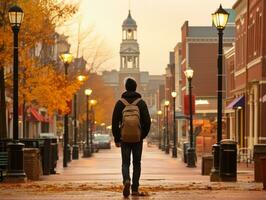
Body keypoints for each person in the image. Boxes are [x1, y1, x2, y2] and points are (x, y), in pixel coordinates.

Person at [112, 78, 151, 197]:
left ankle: (126, 181)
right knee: (137, 163)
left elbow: (114, 122)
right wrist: (141, 135)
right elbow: (147, 122)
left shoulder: (120, 103)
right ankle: (134, 189)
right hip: (137, 139)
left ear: (125, 87)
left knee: (125, 163)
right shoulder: (141, 103)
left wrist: (117, 138)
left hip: (124, 138)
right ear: (135, 87)